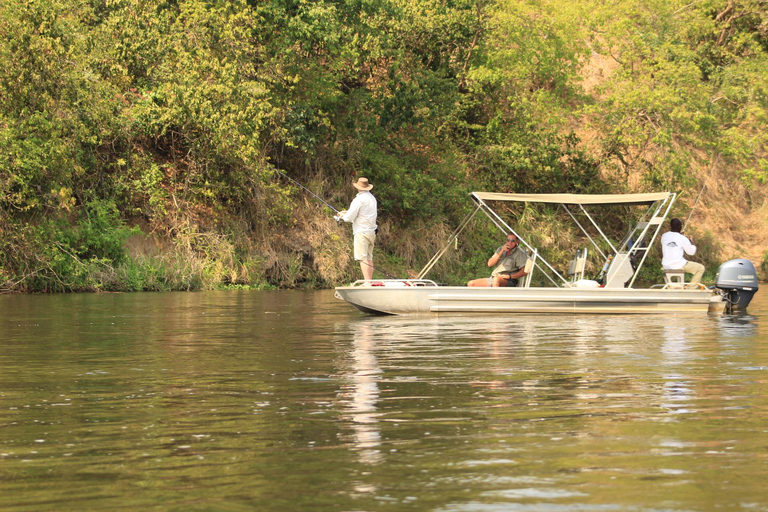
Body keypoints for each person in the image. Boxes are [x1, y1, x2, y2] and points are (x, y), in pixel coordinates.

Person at [337, 177, 378, 281]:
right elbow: (362, 213)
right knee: (369, 257)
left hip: (361, 232)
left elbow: (349, 217)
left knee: (362, 258)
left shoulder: (358, 199)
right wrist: (346, 212)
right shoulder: (372, 198)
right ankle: (369, 281)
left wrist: (342, 216)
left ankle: (367, 283)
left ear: (358, 188)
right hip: (371, 232)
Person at [661, 217, 705, 285]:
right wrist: (691, 242)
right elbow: (691, 252)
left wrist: (681, 236)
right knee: (701, 268)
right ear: (680, 227)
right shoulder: (682, 238)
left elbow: (673, 238)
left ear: (670, 226)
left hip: (666, 265)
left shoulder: (664, 236)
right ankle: (691, 289)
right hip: (678, 265)